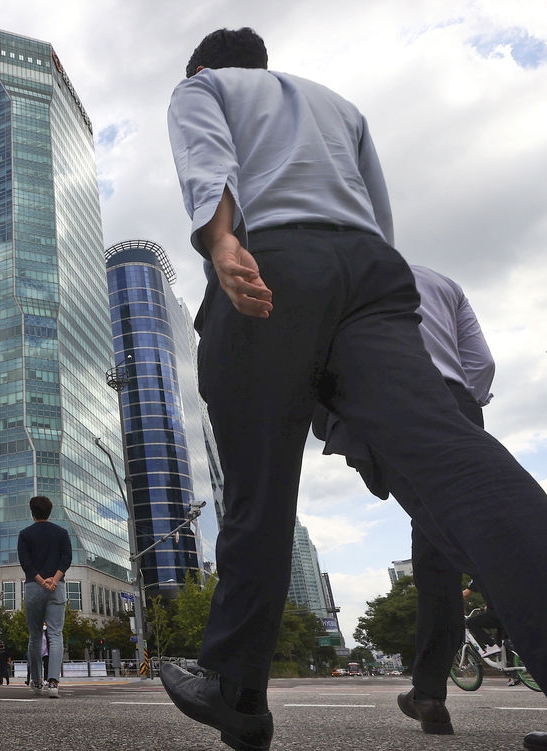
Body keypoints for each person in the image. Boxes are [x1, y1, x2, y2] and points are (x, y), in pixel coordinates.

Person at [162, 27, 547, 751]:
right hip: (370, 273)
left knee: (258, 488)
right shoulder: (340, 105)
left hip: (272, 260)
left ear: (206, 66)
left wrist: (221, 243)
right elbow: (379, 216)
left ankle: (238, 689)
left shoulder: (200, 88)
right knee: (458, 461)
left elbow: (207, 161)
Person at [315, 265, 495, 735]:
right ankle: (427, 693)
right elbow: (481, 364)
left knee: (454, 552)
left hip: (387, 404)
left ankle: (430, 693)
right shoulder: (442, 282)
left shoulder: (339, 275)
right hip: (456, 405)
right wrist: (459, 401)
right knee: (451, 543)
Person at [18, 495, 70, 699]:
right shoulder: (62, 533)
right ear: (50, 511)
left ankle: (37, 681)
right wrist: (54, 580)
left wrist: (40, 581)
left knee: (35, 636)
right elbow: (66, 558)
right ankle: (54, 683)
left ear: (32, 512)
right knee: (55, 635)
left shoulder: (25, 534)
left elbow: (26, 562)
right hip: (56, 588)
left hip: (33, 587)